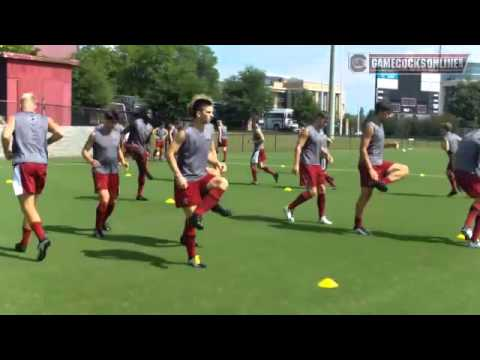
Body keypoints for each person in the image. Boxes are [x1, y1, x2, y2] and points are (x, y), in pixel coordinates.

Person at [167, 95, 229, 269]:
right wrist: (178, 175)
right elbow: (170, 154)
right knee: (191, 221)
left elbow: (207, 152)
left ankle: (200, 213)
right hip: (186, 181)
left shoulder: (209, 129)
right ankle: (192, 258)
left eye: (212, 112)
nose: (211, 115)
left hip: (202, 176)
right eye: (208, 112)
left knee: (222, 183)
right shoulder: (184, 132)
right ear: (198, 113)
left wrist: (216, 162)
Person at [1, 92, 64, 261]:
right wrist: (47, 143)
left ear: (21, 105)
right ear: (35, 105)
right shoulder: (45, 119)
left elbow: (6, 135)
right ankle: (23, 243)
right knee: (32, 206)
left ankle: (42, 238)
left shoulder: (14, 117)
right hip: (41, 165)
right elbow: (60, 132)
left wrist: (7, 151)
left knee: (27, 207)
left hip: (23, 164)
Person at [353, 101, 409, 236]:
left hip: (379, 163)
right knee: (365, 196)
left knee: (404, 169)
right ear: (382, 112)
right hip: (368, 164)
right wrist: (370, 169)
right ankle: (357, 225)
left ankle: (382, 182)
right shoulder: (370, 126)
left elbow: (377, 144)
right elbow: (363, 149)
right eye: (388, 113)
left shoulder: (380, 125)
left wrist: (389, 145)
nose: (389, 116)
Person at [82, 111, 129, 238]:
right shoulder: (95, 134)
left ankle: (102, 222)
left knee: (112, 201)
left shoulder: (117, 133)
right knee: (104, 199)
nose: (114, 124)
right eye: (112, 121)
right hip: (100, 170)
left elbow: (118, 148)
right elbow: (84, 151)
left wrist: (123, 160)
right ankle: (97, 229)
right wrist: (91, 160)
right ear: (105, 120)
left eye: (115, 122)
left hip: (113, 170)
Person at [284, 111, 334, 225]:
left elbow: (322, 149)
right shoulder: (308, 130)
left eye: (327, 122)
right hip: (307, 163)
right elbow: (298, 147)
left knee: (322, 189)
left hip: (317, 165)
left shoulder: (321, 132)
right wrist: (296, 164)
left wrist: (328, 155)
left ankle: (321, 217)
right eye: (325, 121)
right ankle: (289, 207)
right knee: (312, 192)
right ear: (318, 118)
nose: (326, 124)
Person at [453, 129, 480, 248]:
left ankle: (474, 239)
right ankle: (468, 229)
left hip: (460, 173)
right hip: (471, 175)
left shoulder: (471, 133)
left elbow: (457, 155)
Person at [123, 108, 155, 201]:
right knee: (141, 153)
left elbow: (148, 141)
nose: (149, 115)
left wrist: (149, 151)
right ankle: (146, 170)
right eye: (147, 114)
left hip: (141, 149)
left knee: (142, 173)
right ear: (144, 114)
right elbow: (124, 131)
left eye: (150, 114)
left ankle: (139, 194)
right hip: (131, 145)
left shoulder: (150, 127)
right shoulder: (136, 122)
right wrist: (121, 143)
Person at [250, 116, 279, 185]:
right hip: (260, 150)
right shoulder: (255, 128)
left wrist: (254, 141)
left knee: (252, 165)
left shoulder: (257, 129)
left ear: (254, 122)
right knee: (261, 166)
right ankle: (274, 174)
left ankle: (255, 181)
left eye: (251, 121)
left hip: (258, 150)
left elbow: (263, 139)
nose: (250, 123)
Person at [441, 122, 462, 197]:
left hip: (453, 156)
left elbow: (446, 148)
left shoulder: (445, 137)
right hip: (459, 155)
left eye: (442, 129)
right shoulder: (455, 135)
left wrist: (443, 147)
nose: (441, 130)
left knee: (450, 172)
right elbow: (462, 141)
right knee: (452, 172)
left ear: (444, 129)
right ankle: (456, 188)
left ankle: (455, 189)